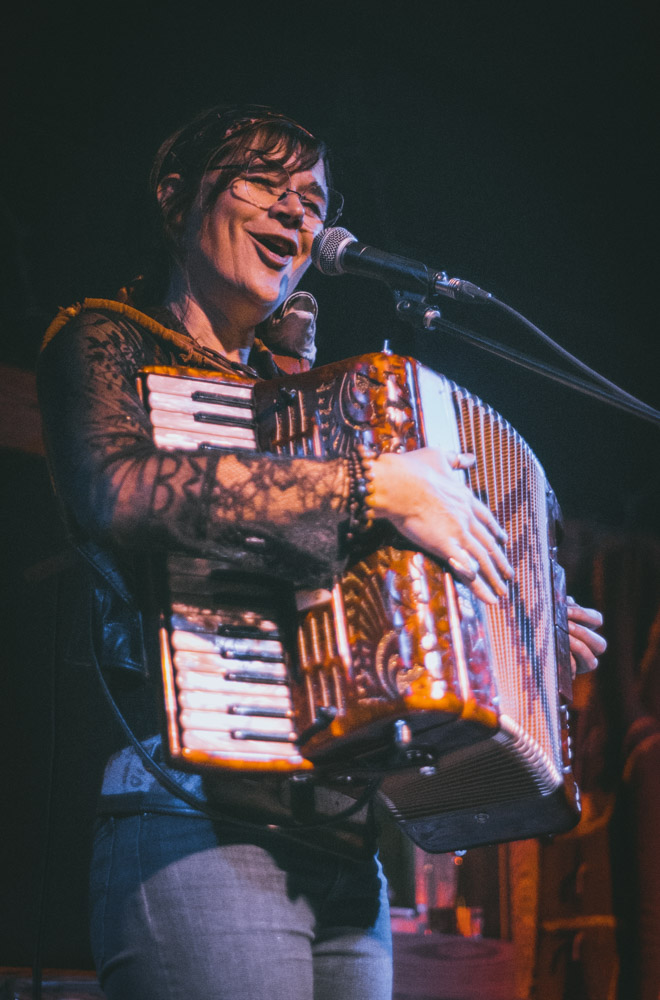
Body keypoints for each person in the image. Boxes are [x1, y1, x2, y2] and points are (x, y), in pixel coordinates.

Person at [36, 103, 606, 1000]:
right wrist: (366, 487)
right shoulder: (107, 341)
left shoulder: (305, 400)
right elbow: (120, 492)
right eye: (266, 181)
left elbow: (355, 606)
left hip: (345, 848)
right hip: (194, 818)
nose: (300, 214)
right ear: (175, 196)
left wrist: (512, 615)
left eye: (314, 198)